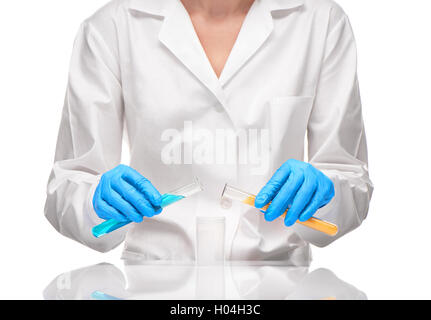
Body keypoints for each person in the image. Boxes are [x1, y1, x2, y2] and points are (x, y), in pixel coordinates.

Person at [45, 0, 373, 264]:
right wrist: (94, 201)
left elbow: (351, 180)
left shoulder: (321, 20)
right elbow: (65, 188)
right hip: (155, 278)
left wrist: (326, 193)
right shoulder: (112, 26)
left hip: (278, 277)